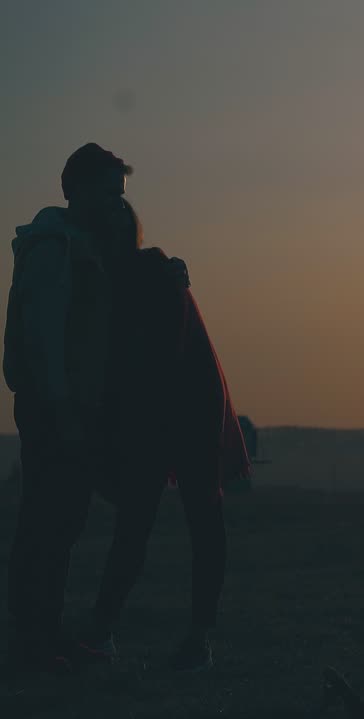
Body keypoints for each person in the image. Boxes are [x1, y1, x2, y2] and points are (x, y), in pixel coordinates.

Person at [75, 199, 250, 671]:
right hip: (152, 418)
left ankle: (194, 637)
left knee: (193, 520)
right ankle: (106, 629)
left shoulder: (148, 274)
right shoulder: (117, 278)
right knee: (139, 526)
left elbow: (161, 354)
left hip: (182, 415)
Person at [3, 144, 132, 672]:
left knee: (59, 526)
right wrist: (62, 411)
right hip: (56, 409)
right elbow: (43, 338)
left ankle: (44, 637)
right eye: (108, 193)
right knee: (46, 526)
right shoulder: (54, 247)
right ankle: (33, 643)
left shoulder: (82, 244)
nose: (116, 205)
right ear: (76, 189)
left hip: (70, 408)